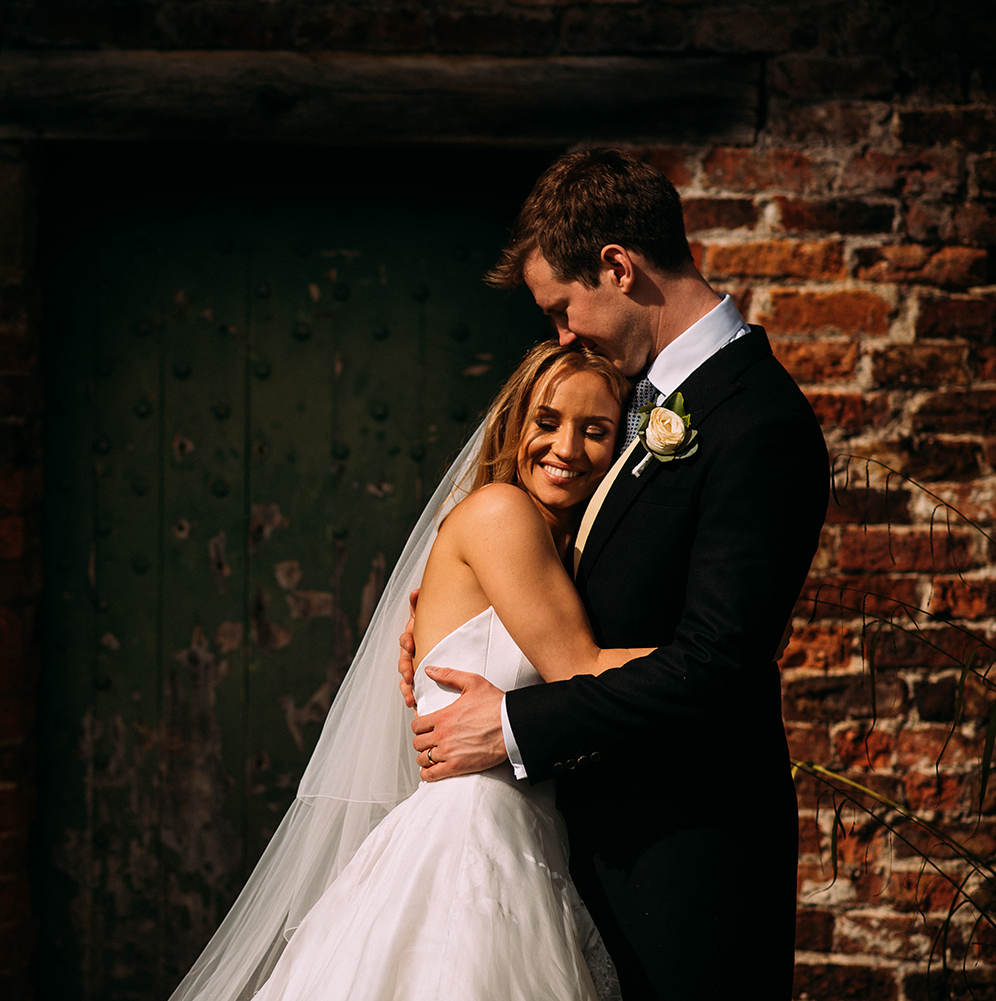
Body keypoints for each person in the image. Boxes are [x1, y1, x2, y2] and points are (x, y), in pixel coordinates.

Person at [399, 148, 830, 1001]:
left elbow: (717, 663)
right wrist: (466, 607)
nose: (560, 335)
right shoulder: (641, 401)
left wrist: (515, 720)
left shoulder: (757, 421)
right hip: (583, 852)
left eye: (563, 308)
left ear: (618, 267)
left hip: (686, 860)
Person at [170, 338, 649, 1001]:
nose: (567, 447)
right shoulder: (502, 513)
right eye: (547, 421)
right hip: (471, 829)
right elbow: (581, 667)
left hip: (523, 826)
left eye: (595, 431)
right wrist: (723, 657)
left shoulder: (555, 544)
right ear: (514, 424)